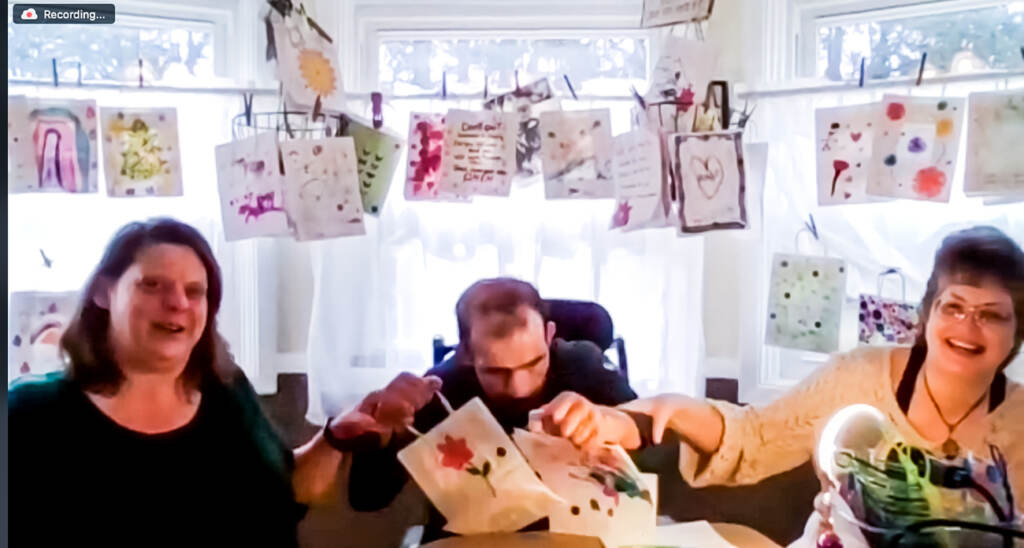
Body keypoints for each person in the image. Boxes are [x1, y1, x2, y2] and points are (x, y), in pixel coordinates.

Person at [535, 225, 1024, 544]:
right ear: (928, 314)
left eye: (991, 315)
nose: (966, 327)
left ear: (1017, 331)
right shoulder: (859, 377)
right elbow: (755, 438)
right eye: (953, 307)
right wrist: (640, 416)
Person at [8, 218, 362, 546]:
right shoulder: (30, 416)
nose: (177, 303)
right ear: (104, 293)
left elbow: (287, 491)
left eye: (195, 292)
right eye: (152, 285)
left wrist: (336, 437)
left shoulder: (228, 392)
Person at [336, 277, 640, 542]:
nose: (519, 387)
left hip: (577, 537)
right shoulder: (443, 389)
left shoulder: (583, 368)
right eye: (496, 371)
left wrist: (612, 424)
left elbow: (653, 450)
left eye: (534, 363)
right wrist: (388, 435)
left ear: (549, 335)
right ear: (465, 351)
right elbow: (367, 498)